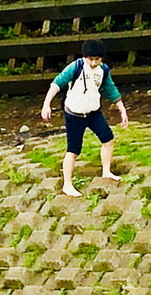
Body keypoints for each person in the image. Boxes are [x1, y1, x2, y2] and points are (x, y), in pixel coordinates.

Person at [41, 39, 128, 197]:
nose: (94, 62)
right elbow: (57, 84)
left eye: (97, 59)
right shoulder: (75, 67)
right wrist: (47, 103)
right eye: (91, 59)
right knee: (73, 150)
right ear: (85, 57)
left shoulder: (103, 70)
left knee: (108, 139)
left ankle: (106, 171)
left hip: (93, 112)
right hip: (74, 114)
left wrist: (122, 109)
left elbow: (111, 89)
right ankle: (67, 184)